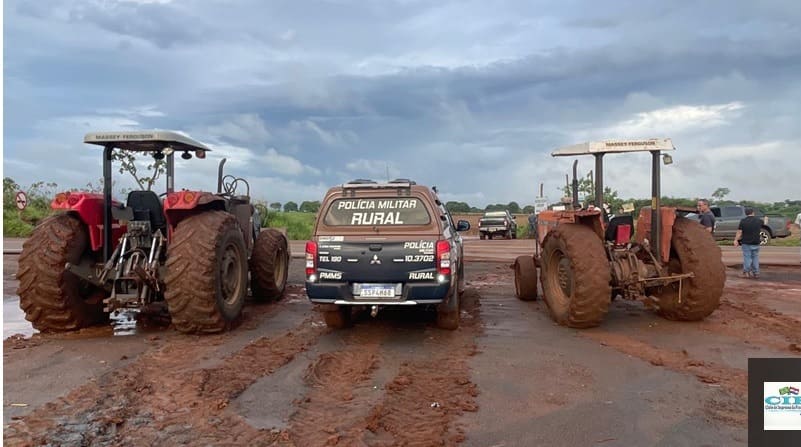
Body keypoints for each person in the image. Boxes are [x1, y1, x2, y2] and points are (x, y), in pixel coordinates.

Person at [734, 207, 761, 279]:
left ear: (746, 213)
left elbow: (739, 232)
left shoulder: (743, 221)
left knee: (747, 257)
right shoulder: (758, 221)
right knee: (755, 257)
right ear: (753, 213)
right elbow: (765, 223)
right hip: (756, 242)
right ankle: (756, 272)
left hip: (746, 242)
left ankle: (746, 272)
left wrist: (736, 240)